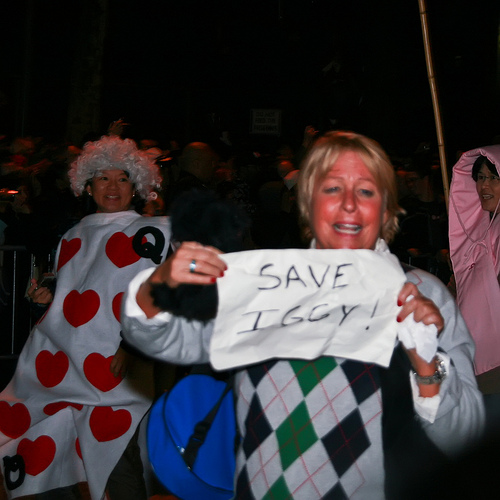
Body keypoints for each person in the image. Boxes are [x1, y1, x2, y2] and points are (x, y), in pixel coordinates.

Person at [121, 131, 484, 499]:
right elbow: (161, 339)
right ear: (308, 203)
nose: (348, 205)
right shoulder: (265, 282)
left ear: (387, 209)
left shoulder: (421, 293)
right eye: (332, 189)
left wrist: (427, 363)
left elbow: (464, 435)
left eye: (366, 190)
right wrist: (158, 286)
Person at [0, 135, 171, 500]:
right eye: (103, 178)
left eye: (122, 178)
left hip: (112, 367)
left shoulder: (155, 231)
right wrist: (44, 302)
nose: (113, 186)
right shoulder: (73, 235)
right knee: (52, 446)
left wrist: (131, 345)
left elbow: (163, 296)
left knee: (115, 453)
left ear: (136, 186)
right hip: (61, 365)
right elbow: (70, 298)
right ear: (88, 186)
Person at [448, 145, 500, 426]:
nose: (484, 186)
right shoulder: (484, 233)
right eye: (480, 177)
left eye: (494, 177)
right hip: (475, 363)